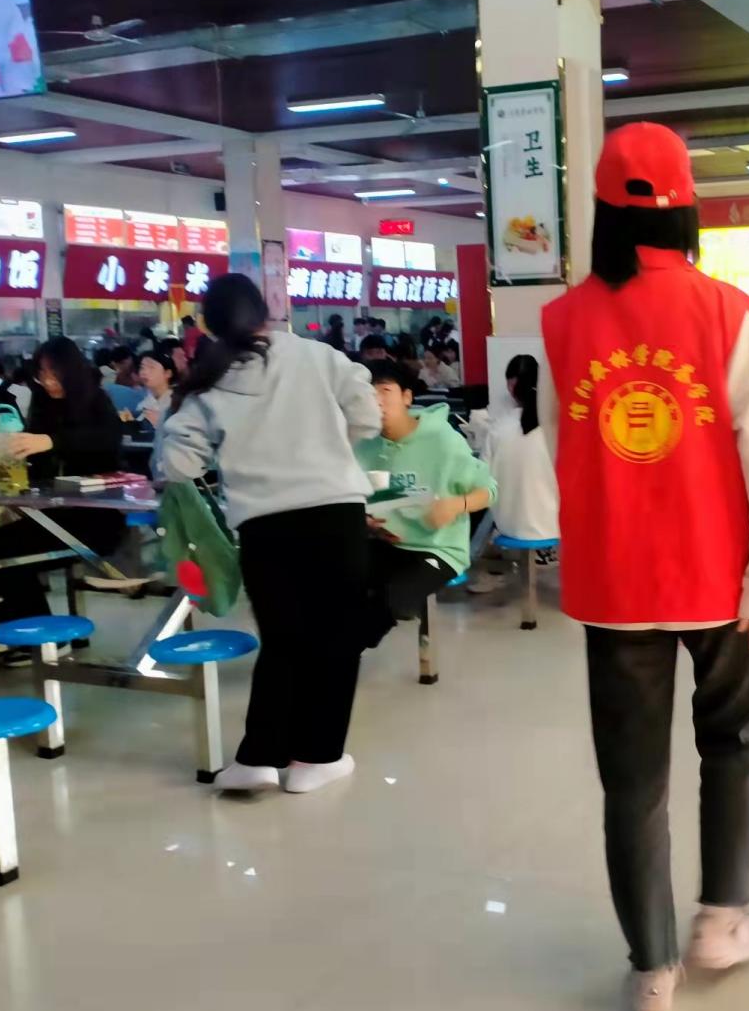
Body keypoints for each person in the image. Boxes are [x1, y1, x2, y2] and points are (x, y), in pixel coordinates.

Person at [540, 121, 749, 1011]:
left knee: (631, 782)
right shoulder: (723, 311)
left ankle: (651, 971)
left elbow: (565, 447)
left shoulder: (562, 321)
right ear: (687, 208)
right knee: (731, 743)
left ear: (601, 211)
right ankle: (721, 922)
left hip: (614, 587)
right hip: (716, 581)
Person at [159, 273, 381, 794]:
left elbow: (177, 463)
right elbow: (368, 417)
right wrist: (329, 447)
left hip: (263, 525)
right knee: (336, 639)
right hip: (335, 512)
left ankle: (259, 758)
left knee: (283, 641)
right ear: (266, 311)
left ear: (209, 326)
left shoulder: (210, 380)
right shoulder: (316, 356)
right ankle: (316, 760)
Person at [0, 338, 127, 646]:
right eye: (42, 374)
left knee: (3, 557)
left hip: (96, 519)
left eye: (54, 374)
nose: (48, 381)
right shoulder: (42, 404)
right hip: (51, 515)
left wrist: (51, 441)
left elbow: (106, 438)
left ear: (71, 371)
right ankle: (19, 633)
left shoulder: (96, 400)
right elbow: (36, 462)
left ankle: (38, 639)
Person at [357, 360, 495, 646]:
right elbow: (357, 496)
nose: (377, 401)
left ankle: (344, 651)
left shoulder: (442, 440)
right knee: (334, 582)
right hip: (386, 543)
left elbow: (489, 490)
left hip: (437, 549)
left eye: (385, 391)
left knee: (390, 603)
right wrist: (365, 520)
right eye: (368, 394)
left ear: (406, 397)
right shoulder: (363, 443)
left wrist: (455, 505)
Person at [482, 353, 559, 543]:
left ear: (511, 387)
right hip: (555, 527)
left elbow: (482, 480)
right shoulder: (557, 427)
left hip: (508, 527)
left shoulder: (498, 428)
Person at [136, 349, 177, 429]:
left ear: (168, 373)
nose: (144, 372)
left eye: (151, 367)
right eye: (142, 368)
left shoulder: (177, 401)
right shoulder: (142, 405)